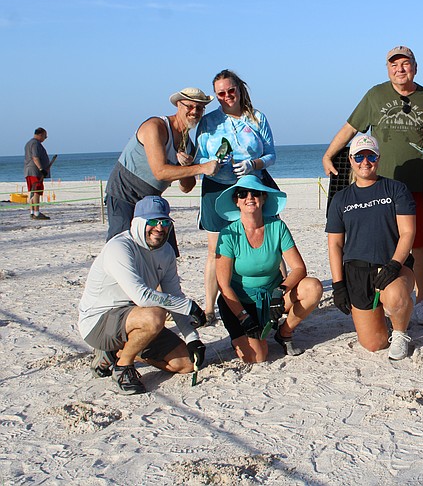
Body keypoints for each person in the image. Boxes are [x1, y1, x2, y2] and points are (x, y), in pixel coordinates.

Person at [322, 46, 423, 326]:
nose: (400, 69)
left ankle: (422, 301)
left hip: (416, 183)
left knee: (419, 243)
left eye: (405, 64)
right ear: (387, 69)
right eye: (394, 65)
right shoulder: (375, 95)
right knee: (381, 240)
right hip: (379, 185)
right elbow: (351, 128)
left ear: (415, 67)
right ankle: (385, 294)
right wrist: (328, 154)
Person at [78, 196, 207, 395]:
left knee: (186, 364)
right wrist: (188, 307)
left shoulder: (166, 251)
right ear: (138, 222)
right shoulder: (119, 247)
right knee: (155, 315)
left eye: (165, 222)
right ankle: (123, 367)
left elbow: (175, 295)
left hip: (136, 320)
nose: (159, 228)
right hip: (99, 324)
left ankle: (116, 352)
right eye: (153, 221)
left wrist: (192, 338)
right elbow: (142, 296)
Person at [196, 70, 277, 324]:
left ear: (240, 89)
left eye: (231, 90)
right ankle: (209, 308)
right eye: (221, 93)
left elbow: (271, 154)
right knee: (215, 249)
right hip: (216, 187)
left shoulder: (257, 118)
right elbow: (198, 158)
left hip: (251, 184)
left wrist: (253, 164)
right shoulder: (208, 122)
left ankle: (280, 294)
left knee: (268, 239)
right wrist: (211, 164)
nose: (227, 96)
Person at [326, 135, 416, 361]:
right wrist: (338, 285)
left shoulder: (396, 189)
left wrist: (394, 265)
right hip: (357, 272)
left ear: (378, 158)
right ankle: (385, 315)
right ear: (350, 160)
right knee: (374, 344)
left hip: (392, 267)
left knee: (395, 296)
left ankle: (400, 331)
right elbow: (335, 244)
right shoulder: (340, 199)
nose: (365, 162)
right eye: (359, 157)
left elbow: (408, 233)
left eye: (371, 156)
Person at [215, 175, 322, 364]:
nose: (249, 197)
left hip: (272, 297)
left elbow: (299, 268)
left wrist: (279, 291)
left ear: (263, 198)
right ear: (236, 201)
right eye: (243, 194)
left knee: (313, 287)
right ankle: (241, 337)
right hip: (239, 303)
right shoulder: (228, 235)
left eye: (255, 193)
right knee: (257, 357)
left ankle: (284, 333)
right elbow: (224, 285)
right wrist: (243, 317)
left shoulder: (277, 227)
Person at [105, 88, 220, 252]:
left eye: (200, 108)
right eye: (189, 106)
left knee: (166, 251)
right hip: (124, 195)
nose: (194, 111)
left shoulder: (188, 144)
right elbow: (160, 172)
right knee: (121, 247)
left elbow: (186, 187)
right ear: (178, 105)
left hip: (151, 199)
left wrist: (186, 166)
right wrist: (202, 168)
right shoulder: (156, 126)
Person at [23, 127, 51, 220]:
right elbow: (35, 157)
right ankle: (36, 213)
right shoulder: (35, 143)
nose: (45, 138)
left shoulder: (30, 143)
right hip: (34, 171)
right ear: (40, 134)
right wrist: (41, 169)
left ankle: (32, 212)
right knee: (36, 192)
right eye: (45, 136)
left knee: (33, 191)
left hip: (30, 171)